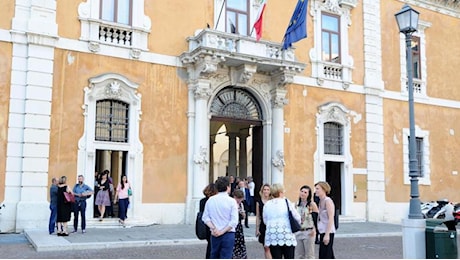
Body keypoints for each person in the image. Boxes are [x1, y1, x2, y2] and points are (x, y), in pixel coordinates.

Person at [201, 176, 239, 259]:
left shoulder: (210, 200)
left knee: (214, 255)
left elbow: (205, 218)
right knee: (226, 256)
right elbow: (234, 221)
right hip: (228, 233)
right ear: (227, 187)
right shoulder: (231, 201)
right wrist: (222, 231)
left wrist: (214, 228)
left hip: (215, 233)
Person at [263, 183, 300, 259]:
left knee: (276, 257)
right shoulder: (286, 202)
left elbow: (265, 220)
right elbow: (297, 217)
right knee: (289, 256)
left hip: (272, 234)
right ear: (280, 192)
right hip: (286, 233)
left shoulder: (267, 204)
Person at [295, 185, 319, 259]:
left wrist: (315, 229)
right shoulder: (296, 204)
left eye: (305, 192)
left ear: (308, 194)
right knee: (299, 255)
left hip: (308, 231)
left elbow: (317, 218)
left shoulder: (312, 204)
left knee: (309, 255)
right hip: (299, 231)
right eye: (302, 191)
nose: (303, 193)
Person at [315, 181, 336, 259]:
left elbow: (331, 218)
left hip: (328, 231)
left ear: (324, 189)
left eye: (317, 189)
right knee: (327, 254)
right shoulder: (320, 201)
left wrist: (327, 234)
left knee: (326, 255)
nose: (316, 191)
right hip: (322, 230)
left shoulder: (328, 201)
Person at [198, 183, 218, 259]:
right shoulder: (213, 201)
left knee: (210, 244)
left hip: (205, 224)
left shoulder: (202, 201)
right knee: (212, 244)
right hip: (212, 223)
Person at [256, 183, 272, 259]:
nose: (266, 191)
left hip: (272, 225)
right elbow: (258, 216)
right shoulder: (259, 202)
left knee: (272, 248)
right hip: (263, 226)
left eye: (268, 190)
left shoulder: (272, 201)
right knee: (266, 247)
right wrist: (257, 229)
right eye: (264, 190)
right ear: (262, 191)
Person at [232, 189, 248, 259]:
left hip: (239, 226)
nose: (239, 200)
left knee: (240, 243)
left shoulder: (241, 204)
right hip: (232, 226)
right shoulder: (231, 203)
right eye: (238, 198)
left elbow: (244, 217)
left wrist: (242, 213)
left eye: (240, 198)